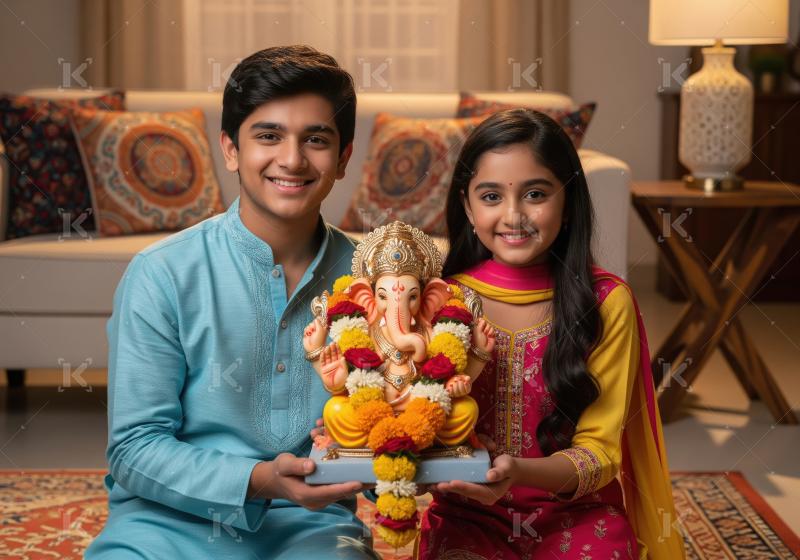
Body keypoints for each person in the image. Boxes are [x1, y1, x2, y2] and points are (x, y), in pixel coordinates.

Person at [85, 45, 381, 559]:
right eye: (268, 136)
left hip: (311, 527)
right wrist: (261, 479)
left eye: (315, 139)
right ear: (230, 149)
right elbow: (133, 451)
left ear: (344, 157)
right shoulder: (162, 274)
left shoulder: (376, 279)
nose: (291, 159)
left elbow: (391, 430)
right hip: (163, 525)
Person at [416, 109, 685, 559]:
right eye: (491, 196)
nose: (514, 215)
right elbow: (420, 419)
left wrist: (518, 471)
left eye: (535, 193)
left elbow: (600, 454)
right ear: (466, 205)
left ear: (568, 200)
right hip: (470, 514)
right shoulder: (444, 299)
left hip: (578, 514)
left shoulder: (604, 302)